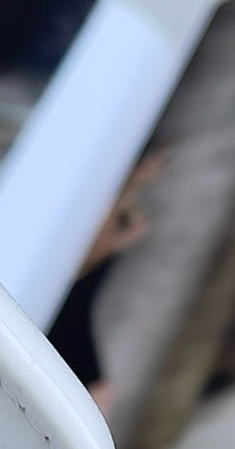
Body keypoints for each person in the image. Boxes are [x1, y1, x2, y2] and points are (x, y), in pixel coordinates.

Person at [48, 146, 170, 418]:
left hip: (70, 302)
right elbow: (78, 267)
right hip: (66, 300)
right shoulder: (109, 197)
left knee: (97, 396)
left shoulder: (121, 199)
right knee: (98, 395)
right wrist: (117, 242)